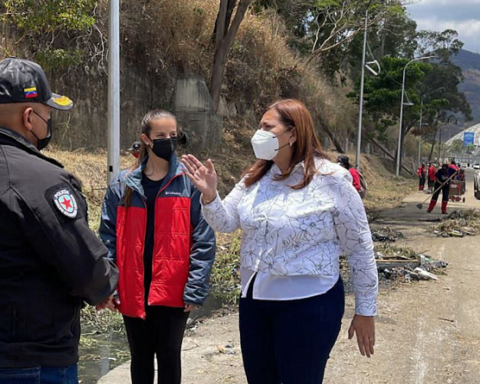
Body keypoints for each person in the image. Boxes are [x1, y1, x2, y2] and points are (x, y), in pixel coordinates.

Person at [182, 99, 378, 384]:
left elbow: (360, 248)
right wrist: (210, 196)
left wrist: (365, 310)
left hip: (310, 304)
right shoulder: (255, 177)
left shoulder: (332, 179)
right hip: (256, 303)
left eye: (267, 126)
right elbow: (226, 223)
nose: (258, 133)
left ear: (293, 133)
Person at [0, 57, 118, 383]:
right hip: (28, 360)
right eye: (48, 114)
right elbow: (84, 264)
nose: (49, 121)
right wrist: (104, 287)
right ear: (29, 117)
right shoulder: (39, 180)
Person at [99, 110, 215, 384]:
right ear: (145, 140)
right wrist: (107, 285)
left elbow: (203, 239)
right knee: (139, 357)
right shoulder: (122, 185)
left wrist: (195, 288)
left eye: (173, 136)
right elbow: (107, 239)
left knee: (169, 356)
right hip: (133, 285)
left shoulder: (188, 183)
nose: (169, 141)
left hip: (174, 287)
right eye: (161, 136)